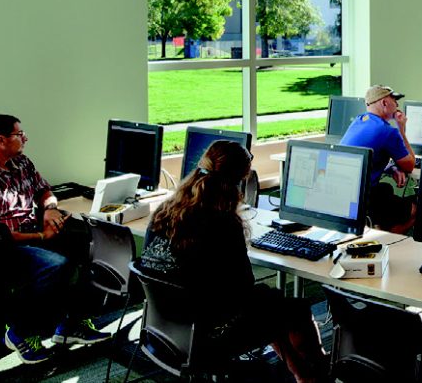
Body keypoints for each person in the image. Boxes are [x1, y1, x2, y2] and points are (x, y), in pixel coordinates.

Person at [139, 141, 327, 383]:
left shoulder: (165, 211)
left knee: (271, 303)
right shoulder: (221, 221)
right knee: (290, 308)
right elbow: (243, 289)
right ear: (238, 181)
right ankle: (317, 368)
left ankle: (301, 372)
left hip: (165, 328)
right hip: (207, 335)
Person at [0, 114, 109, 364]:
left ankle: (70, 325)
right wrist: (41, 235)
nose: (25, 138)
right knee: (55, 265)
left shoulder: (20, 162)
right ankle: (20, 331)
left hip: (28, 232)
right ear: (1, 140)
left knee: (91, 244)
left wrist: (50, 209)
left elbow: (43, 190)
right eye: (19, 134)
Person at [339, 85, 417, 233]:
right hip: (363, 198)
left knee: (385, 189)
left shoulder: (359, 120)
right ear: (384, 103)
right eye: (394, 100)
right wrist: (401, 128)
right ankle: (384, 240)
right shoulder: (387, 131)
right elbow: (409, 165)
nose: (398, 105)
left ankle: (380, 227)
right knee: (415, 209)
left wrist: (392, 167)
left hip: (344, 193)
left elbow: (369, 155)